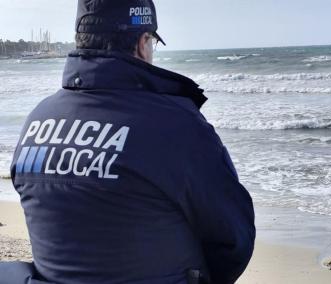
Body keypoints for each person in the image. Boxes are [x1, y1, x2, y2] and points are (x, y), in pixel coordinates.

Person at [1, 0, 256, 283]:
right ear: (142, 42)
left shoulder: (36, 121)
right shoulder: (175, 126)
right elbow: (234, 241)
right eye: (152, 42)